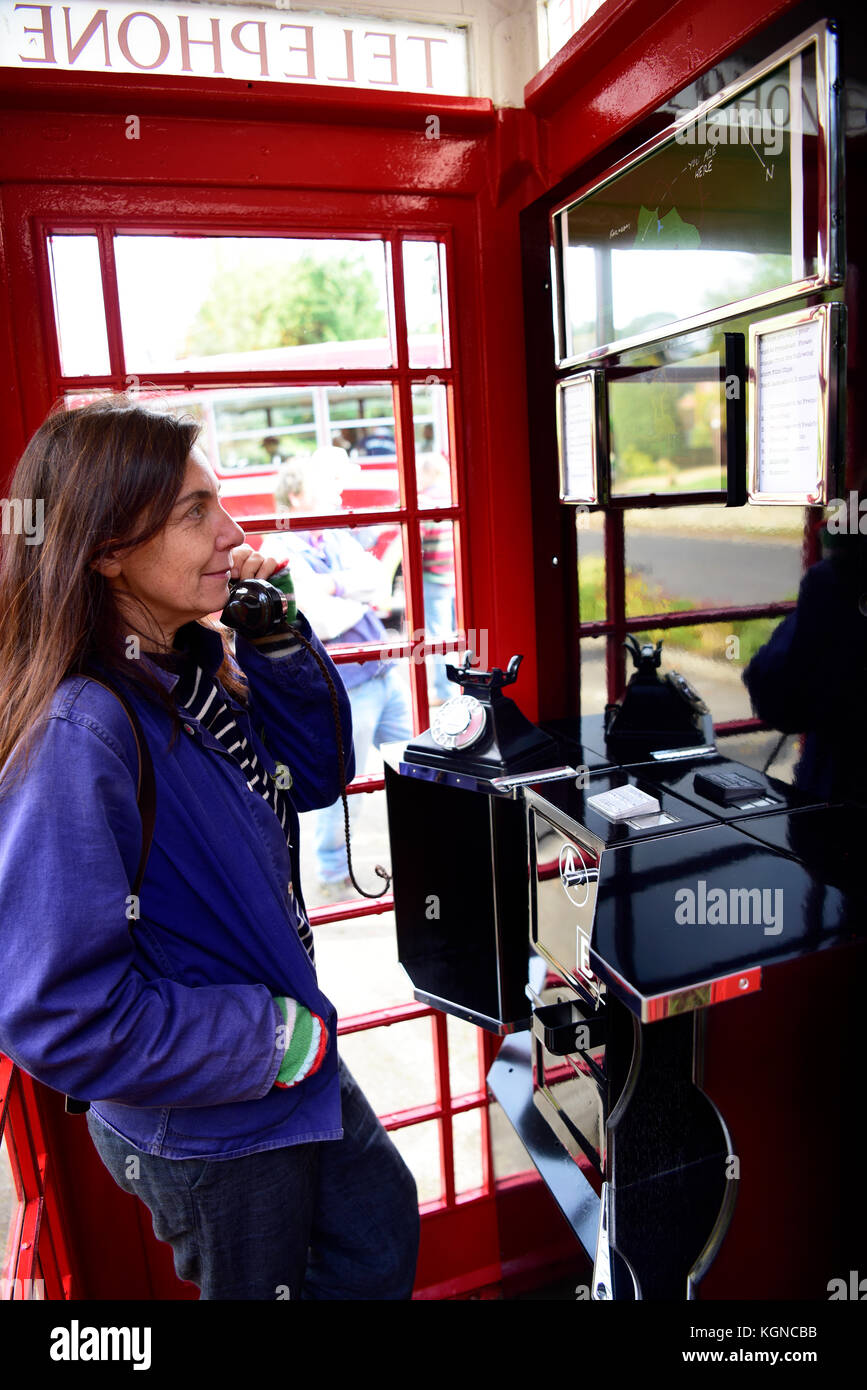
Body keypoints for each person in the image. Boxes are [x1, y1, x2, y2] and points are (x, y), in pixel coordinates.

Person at [0, 397, 419, 1300]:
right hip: (213, 1103)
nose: (233, 532)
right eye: (196, 512)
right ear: (106, 549)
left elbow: (313, 777)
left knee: (378, 1231)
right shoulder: (83, 729)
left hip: (283, 1050)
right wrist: (273, 1040)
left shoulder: (180, 667)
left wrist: (274, 640)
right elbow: (55, 1013)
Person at [260, 447, 412, 899]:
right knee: (346, 781)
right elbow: (316, 617)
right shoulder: (278, 548)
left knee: (415, 769)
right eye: (323, 484)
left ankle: (421, 850)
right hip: (346, 682)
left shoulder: (335, 537)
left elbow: (379, 581)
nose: (336, 490)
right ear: (297, 494)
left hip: (384, 670)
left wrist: (337, 587)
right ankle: (330, 871)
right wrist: (353, 595)